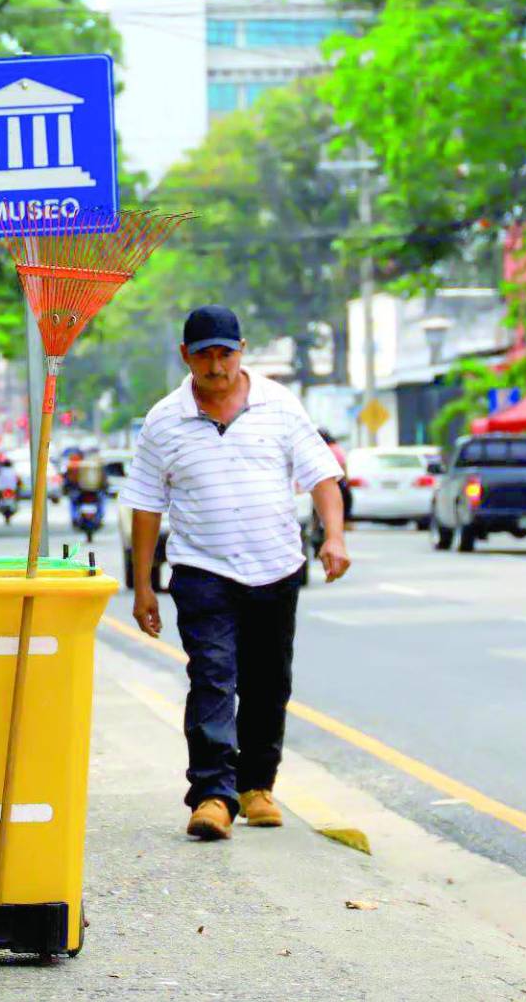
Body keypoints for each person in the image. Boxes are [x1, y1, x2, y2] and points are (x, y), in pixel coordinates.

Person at [123, 305, 351, 841]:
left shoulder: (279, 405)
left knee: (268, 682)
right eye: (204, 354)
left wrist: (335, 536)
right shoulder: (164, 420)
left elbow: (322, 476)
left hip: (275, 566)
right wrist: (142, 588)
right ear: (186, 357)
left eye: (225, 353)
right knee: (212, 677)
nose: (216, 365)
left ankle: (257, 787)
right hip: (203, 568)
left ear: (241, 350)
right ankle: (212, 795)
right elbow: (145, 507)